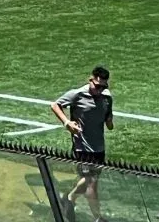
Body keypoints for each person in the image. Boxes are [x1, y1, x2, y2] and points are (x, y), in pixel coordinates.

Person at [51, 67, 114, 222]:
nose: (100, 90)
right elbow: (55, 105)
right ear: (90, 79)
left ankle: (69, 197)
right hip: (82, 146)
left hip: (99, 147)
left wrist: (110, 120)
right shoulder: (77, 94)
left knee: (90, 182)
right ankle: (98, 218)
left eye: (103, 87)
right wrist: (67, 123)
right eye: (97, 86)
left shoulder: (106, 97)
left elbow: (108, 120)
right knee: (91, 183)